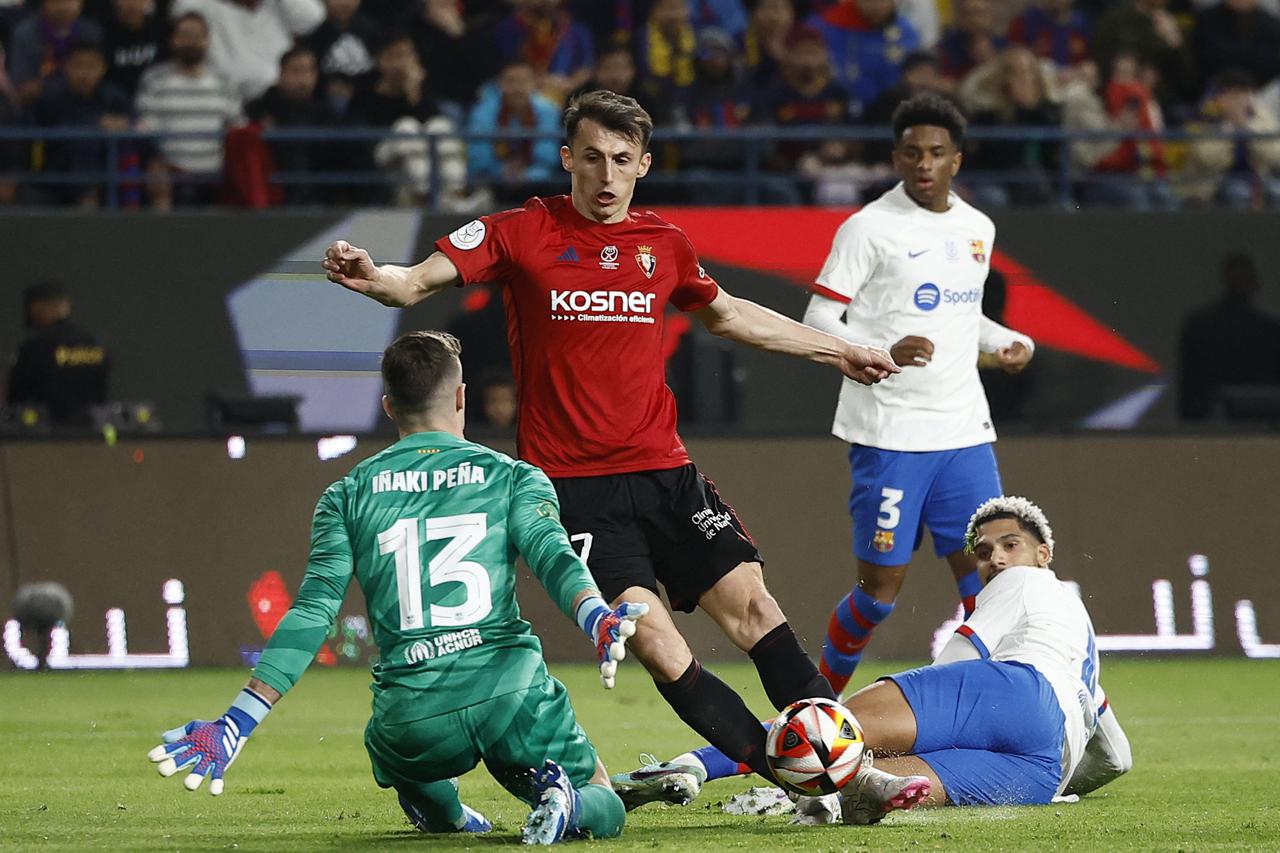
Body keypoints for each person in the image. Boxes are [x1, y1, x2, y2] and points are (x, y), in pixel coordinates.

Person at [321, 89, 899, 795]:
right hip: (575, 494)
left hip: (665, 472)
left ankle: (850, 767)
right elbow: (411, 284)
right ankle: (794, 777)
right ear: (567, 158)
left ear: (643, 165)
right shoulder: (520, 231)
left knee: (756, 608)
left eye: (622, 159)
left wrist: (838, 350)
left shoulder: (665, 245)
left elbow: (729, 314)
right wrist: (373, 277)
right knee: (657, 643)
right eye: (591, 157)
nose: (605, 174)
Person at [148, 330, 646, 844]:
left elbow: (313, 613)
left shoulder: (346, 495)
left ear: (389, 406)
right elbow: (553, 557)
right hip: (509, 693)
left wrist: (238, 720)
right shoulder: (513, 478)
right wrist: (596, 616)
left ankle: (449, 817)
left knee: (409, 772)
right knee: (602, 800)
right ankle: (565, 800)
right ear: (460, 397)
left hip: (413, 717)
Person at [615, 496, 1134, 824]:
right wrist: (1060, 783)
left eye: (1011, 545)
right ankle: (826, 798)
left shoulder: (1023, 581)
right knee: (867, 782)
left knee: (831, 728)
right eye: (983, 551)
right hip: (1043, 769)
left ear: (1043, 554)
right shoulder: (1081, 642)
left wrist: (928, 713)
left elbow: (960, 655)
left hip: (1014, 692)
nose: (995, 559)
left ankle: (692, 764)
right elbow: (1115, 759)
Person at [800, 93, 1035, 695]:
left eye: (936, 153)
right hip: (891, 435)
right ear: (896, 157)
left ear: (957, 159)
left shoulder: (977, 227)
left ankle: (988, 713)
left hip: (965, 434)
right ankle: (816, 707)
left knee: (992, 586)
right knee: (879, 595)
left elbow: (967, 319)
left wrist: (1007, 341)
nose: (923, 163)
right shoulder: (869, 228)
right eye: (912, 152)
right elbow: (819, 318)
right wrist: (881, 348)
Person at [134, 11, 243, 209]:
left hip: (216, 175)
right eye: (184, 36)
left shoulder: (225, 82)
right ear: (173, 40)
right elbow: (145, 128)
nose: (190, 42)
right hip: (172, 175)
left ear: (207, 41)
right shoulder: (154, 80)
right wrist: (158, 163)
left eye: (196, 36)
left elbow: (237, 127)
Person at [1178, 253, 1280, 419]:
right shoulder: (1201, 325)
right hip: (1220, 415)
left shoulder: (1200, 324)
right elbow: (1190, 386)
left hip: (1233, 416)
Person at [168, 0, 325, 102]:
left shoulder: (278, 5)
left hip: (276, 101)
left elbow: (312, 19)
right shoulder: (209, 6)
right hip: (223, 98)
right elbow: (180, 9)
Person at [6, 281, 109, 425]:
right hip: (90, 433)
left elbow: (16, 397)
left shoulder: (34, 346)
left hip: (46, 434)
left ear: (36, 307)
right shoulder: (93, 343)